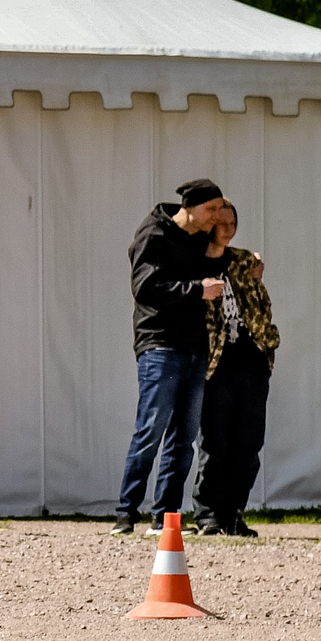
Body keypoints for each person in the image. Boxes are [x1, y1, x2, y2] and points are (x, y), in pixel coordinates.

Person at [116, 180, 231, 534]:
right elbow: (144, 288)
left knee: (183, 440)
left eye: (220, 210)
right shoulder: (153, 233)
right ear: (190, 207)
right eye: (211, 209)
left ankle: (165, 518)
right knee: (151, 430)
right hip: (160, 345)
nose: (216, 217)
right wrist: (197, 290)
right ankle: (125, 514)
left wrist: (221, 250)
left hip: (195, 347)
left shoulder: (199, 239)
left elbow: (213, 272)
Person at [189, 201, 275, 537]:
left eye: (232, 223)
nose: (227, 229)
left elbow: (260, 303)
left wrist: (266, 346)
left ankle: (233, 513)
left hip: (250, 356)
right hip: (215, 360)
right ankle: (208, 513)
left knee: (249, 440)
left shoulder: (242, 261)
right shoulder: (192, 262)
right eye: (221, 223)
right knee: (215, 438)